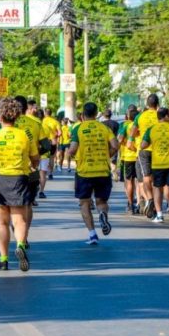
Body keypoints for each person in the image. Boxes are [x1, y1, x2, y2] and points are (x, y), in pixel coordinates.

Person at [0, 97, 39, 271]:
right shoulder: (25, 135)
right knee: (19, 219)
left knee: (2, 222)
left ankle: (4, 259)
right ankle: (20, 245)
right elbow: (35, 159)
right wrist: (31, 165)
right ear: (17, 117)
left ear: (0, 117)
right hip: (20, 178)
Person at [67, 102, 119, 245]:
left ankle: (92, 234)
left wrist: (72, 155)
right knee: (101, 201)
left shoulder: (78, 129)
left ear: (83, 115)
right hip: (103, 171)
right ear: (96, 114)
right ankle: (102, 214)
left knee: (84, 203)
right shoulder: (104, 128)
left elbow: (72, 150)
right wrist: (108, 155)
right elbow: (115, 145)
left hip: (84, 173)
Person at [141, 108, 169, 223]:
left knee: (157, 188)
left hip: (157, 164)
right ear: (166, 116)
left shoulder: (151, 129)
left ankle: (160, 215)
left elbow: (143, 145)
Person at [14, 96, 45, 244]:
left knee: (12, 204)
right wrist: (36, 154)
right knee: (29, 203)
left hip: (12, 169)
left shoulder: (8, 123)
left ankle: (17, 230)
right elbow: (47, 145)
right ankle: (24, 235)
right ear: (26, 107)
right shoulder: (36, 123)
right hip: (32, 168)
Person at [127, 94, 160, 218]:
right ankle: (156, 205)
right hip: (158, 150)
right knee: (156, 179)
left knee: (146, 177)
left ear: (147, 103)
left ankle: (149, 199)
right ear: (158, 104)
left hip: (144, 150)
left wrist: (131, 141)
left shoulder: (140, 116)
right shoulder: (161, 115)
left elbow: (132, 133)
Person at [118, 106, 140, 214]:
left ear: (128, 116)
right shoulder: (142, 126)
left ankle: (130, 204)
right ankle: (140, 202)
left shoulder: (125, 125)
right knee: (140, 181)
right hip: (140, 156)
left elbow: (120, 139)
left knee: (129, 181)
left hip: (128, 157)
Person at [43, 108, 61, 180]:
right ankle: (50, 174)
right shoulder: (55, 122)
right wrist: (55, 136)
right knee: (51, 158)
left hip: (44, 141)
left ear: (45, 113)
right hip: (53, 141)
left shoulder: (42, 121)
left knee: (44, 157)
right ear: (51, 113)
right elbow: (60, 133)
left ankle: (43, 173)